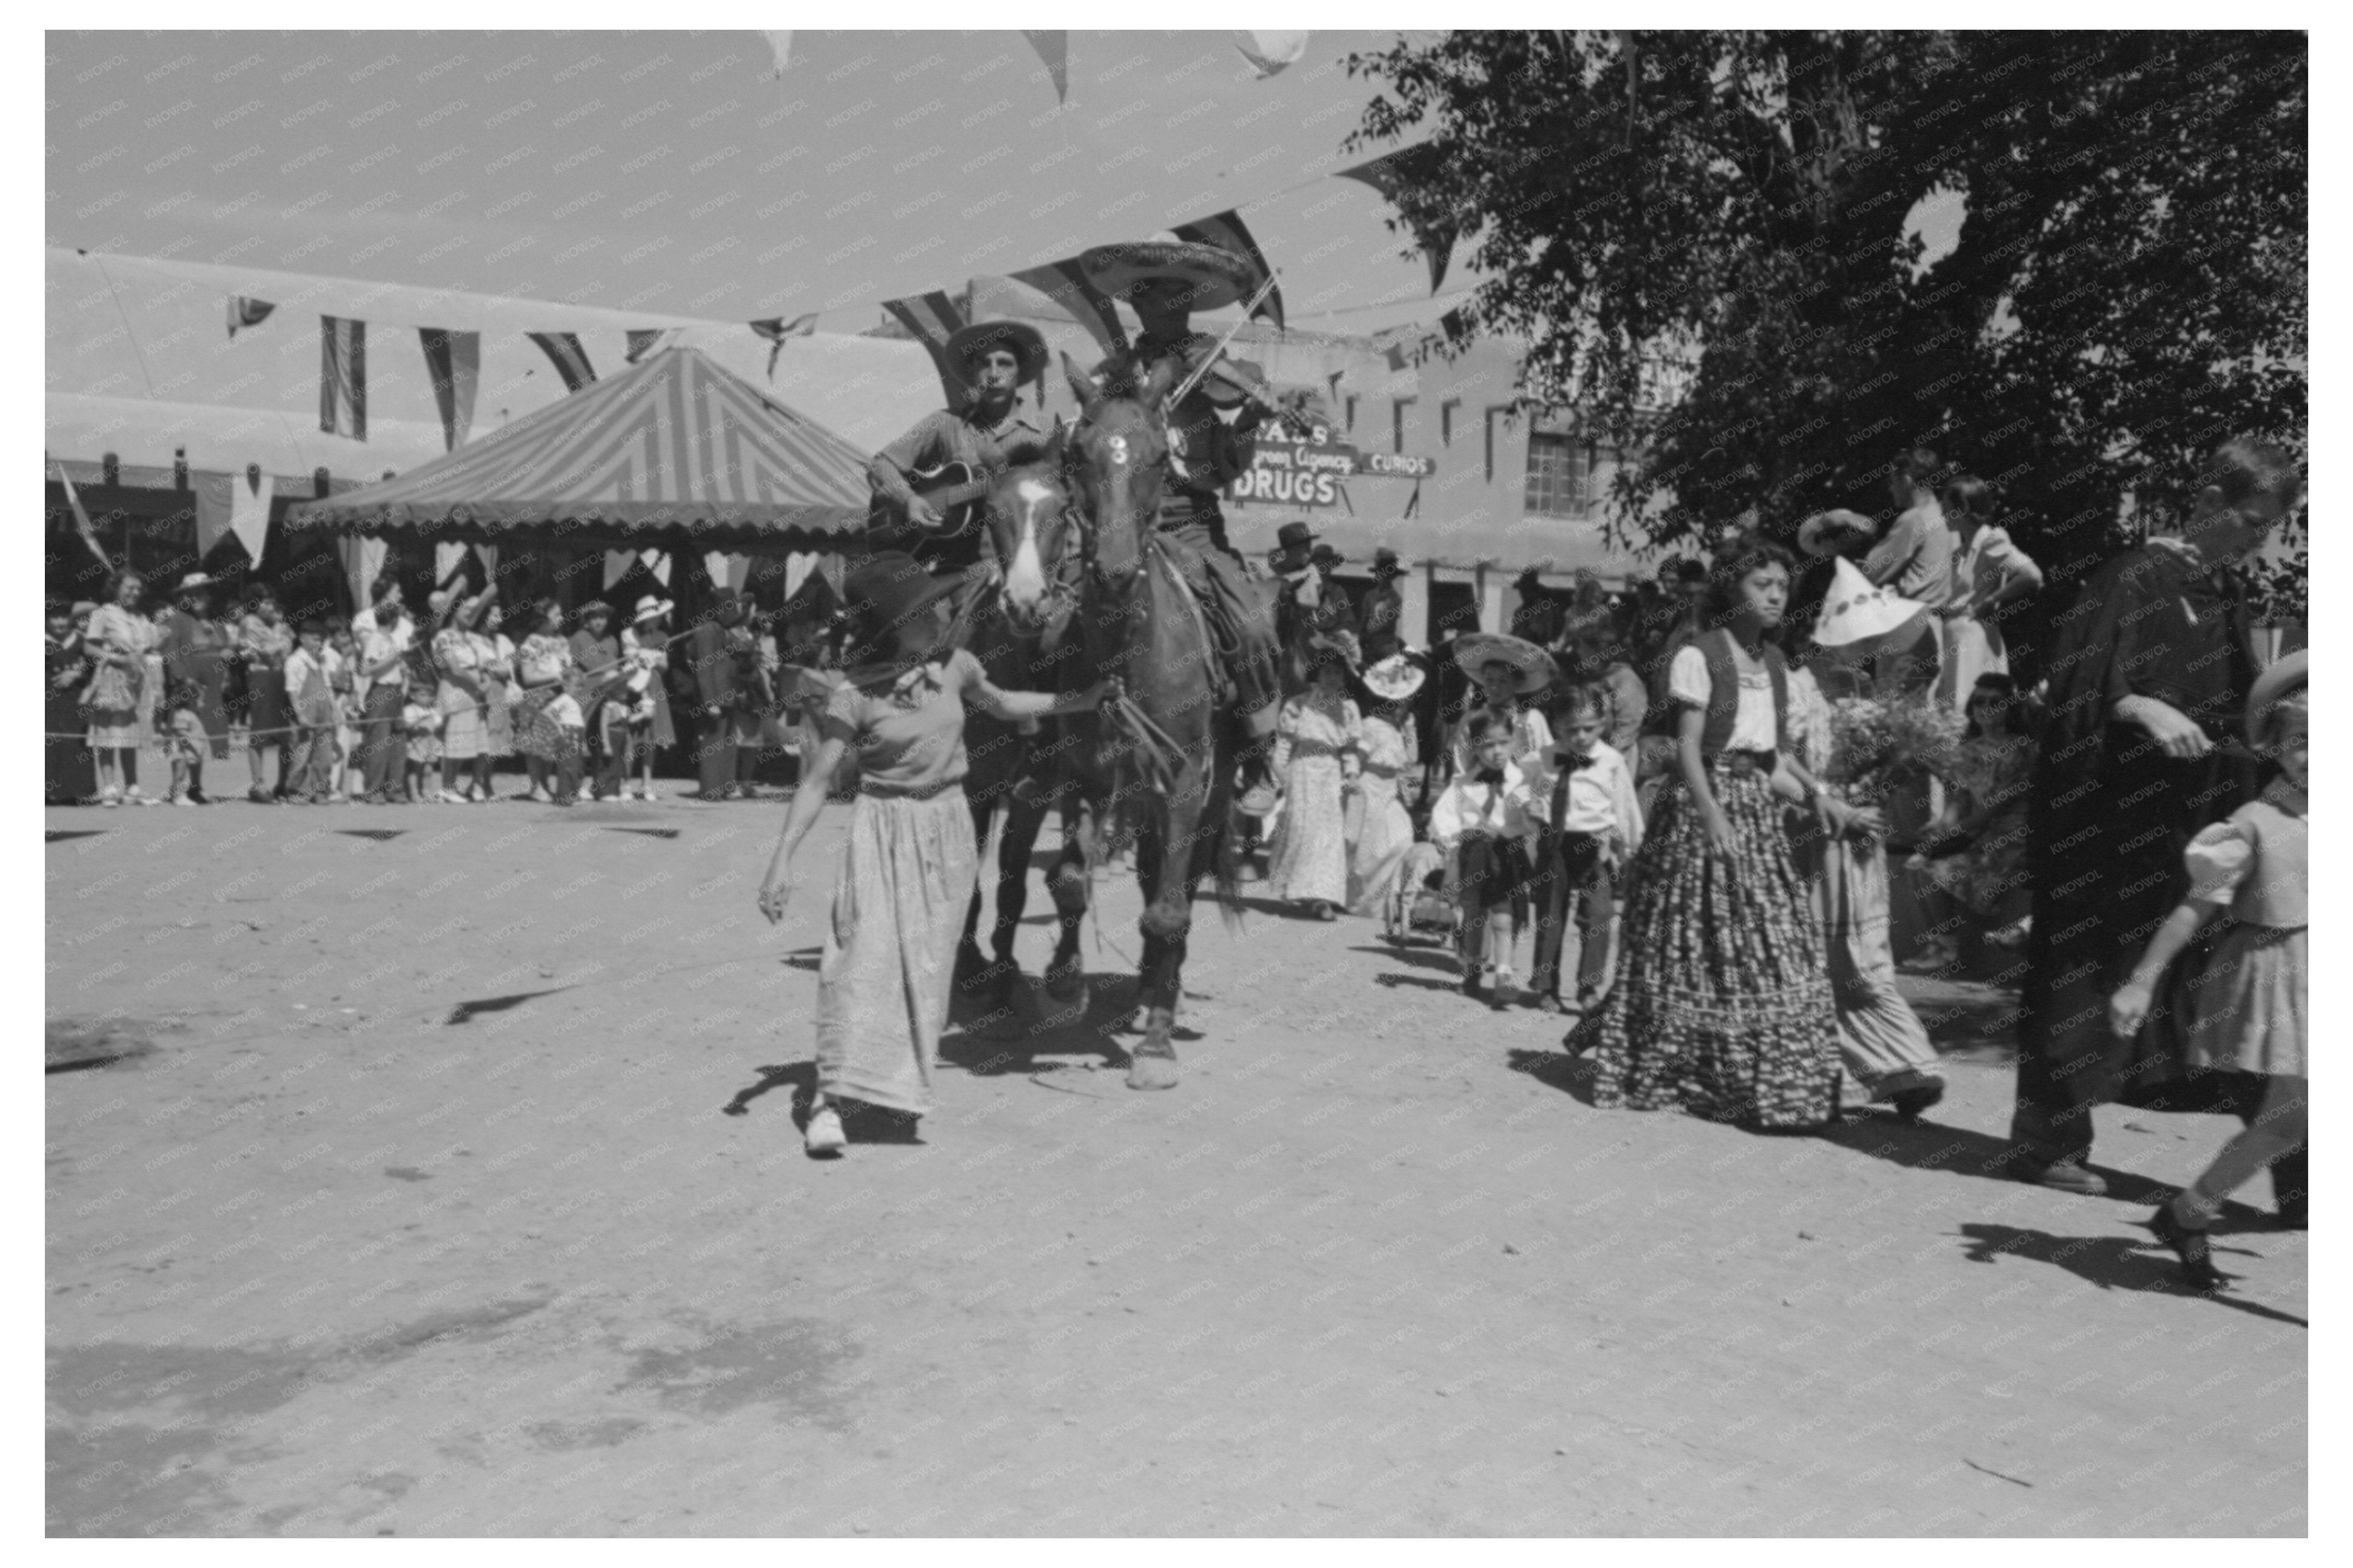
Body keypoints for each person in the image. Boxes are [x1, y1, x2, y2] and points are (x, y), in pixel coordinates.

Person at [2008, 437, 2303, 1197]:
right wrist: (2136, 705)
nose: (2254, 539)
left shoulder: (2222, 593)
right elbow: (2072, 684)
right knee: (2082, 970)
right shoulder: (2131, 577)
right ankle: (2047, 1144)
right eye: (2246, 521)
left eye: (2266, 528)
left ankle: (2291, 1172)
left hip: (2193, 815)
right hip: (2105, 820)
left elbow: (2244, 706)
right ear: (2207, 502)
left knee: (2245, 969)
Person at [756, 552, 1109, 1156]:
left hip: (947, 828)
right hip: (881, 826)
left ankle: (889, 1088)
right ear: (894, 623)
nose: (940, 615)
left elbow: (1003, 703)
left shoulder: (955, 666)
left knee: (922, 966)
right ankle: (829, 1099)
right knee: (856, 957)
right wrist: (781, 860)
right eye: (924, 611)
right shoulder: (853, 697)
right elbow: (815, 781)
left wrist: (1079, 701)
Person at [1571, 535, 1857, 1132]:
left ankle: (1778, 1088)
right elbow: (1688, 748)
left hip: (1757, 815)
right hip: (1702, 814)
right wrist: (1710, 814)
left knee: (1780, 948)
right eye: (1763, 586)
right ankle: (1690, 1074)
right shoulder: (1697, 656)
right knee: (1692, 946)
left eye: (1782, 586)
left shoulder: (1775, 664)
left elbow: (1775, 758)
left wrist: (1822, 798)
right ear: (1733, 590)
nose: (1776, 596)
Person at [2110, 653, 2305, 1288]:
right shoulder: (2251, 825)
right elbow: (2190, 912)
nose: (2316, 756)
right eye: (2300, 742)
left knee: (2291, 1121)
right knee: (2294, 1116)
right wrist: (2142, 980)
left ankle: (2187, 1212)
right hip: (2283, 980)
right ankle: (2188, 1212)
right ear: (2271, 748)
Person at [1080, 238, 1291, 796]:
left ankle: (1256, 750)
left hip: (1192, 525)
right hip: (1124, 524)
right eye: (1156, 297)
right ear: (1137, 304)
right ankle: (1048, 742)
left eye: (1181, 297)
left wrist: (1251, 419)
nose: (1169, 308)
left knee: (1252, 625)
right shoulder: (1111, 375)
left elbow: (1224, 468)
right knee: (1057, 616)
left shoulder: (1215, 369)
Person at [1786, 640, 1950, 1121]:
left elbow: (1881, 757)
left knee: (1868, 957)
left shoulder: (1862, 689)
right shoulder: (1795, 691)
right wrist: (1832, 804)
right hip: (1814, 836)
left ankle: (1905, 1067)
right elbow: (1781, 763)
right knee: (1823, 960)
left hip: (1859, 843)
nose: (1859, 649)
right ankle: (1845, 1076)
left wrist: (1883, 784)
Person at [866, 318, 1048, 586]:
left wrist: (999, 466)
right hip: (949, 572)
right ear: (973, 372)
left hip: (1015, 572)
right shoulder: (945, 423)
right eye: (984, 363)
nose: (994, 373)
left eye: (1005, 363)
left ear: (1019, 373)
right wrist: (908, 500)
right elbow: (881, 464)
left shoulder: (1041, 439)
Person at [1907, 674, 2038, 970]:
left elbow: (1993, 809)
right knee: (1917, 864)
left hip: (2009, 843)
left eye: (1996, 702)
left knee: (1936, 866)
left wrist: (1952, 832)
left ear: (2010, 708)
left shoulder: (2021, 749)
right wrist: (1940, 828)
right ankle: (1943, 945)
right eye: (1979, 701)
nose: (1986, 708)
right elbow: (1959, 801)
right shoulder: (1968, 748)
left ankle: (1947, 948)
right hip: (1978, 836)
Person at [1527, 684, 1642, 1016]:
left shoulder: (1611, 761)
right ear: (1557, 726)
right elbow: (1522, 794)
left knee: (1601, 915)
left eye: (1588, 728)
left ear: (1603, 724)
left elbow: (1624, 805)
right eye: (1571, 729)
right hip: (1555, 843)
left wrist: (1630, 844)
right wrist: (1528, 811)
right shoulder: (1541, 759)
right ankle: (1546, 986)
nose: (1580, 736)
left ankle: (1588, 987)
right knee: (1551, 915)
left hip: (1596, 845)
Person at [1432, 710, 1545, 1008]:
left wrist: (1531, 816)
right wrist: (1449, 836)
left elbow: (1528, 816)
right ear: (1475, 748)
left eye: (1503, 743)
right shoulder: (1463, 782)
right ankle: (1472, 968)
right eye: (1487, 745)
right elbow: (1444, 814)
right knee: (1474, 917)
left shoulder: (1522, 779)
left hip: (1507, 855)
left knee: (1505, 918)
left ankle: (1504, 976)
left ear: (1514, 742)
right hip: (1475, 856)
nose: (1496, 752)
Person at [1932, 474, 2044, 714]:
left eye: (1946, 508)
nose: (1942, 514)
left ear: (1962, 508)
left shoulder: (1990, 540)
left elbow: (2032, 576)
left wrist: (1993, 599)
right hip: (1956, 637)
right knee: (1954, 710)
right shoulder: (1962, 549)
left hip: (1973, 636)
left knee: (1969, 710)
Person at [1266, 648, 1362, 920]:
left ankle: (1323, 896)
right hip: (1302, 771)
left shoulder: (1349, 710)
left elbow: (1350, 750)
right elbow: (1283, 746)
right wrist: (1281, 778)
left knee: (1328, 836)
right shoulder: (1298, 705)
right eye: (1327, 672)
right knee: (1300, 830)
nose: (1332, 678)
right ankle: (1297, 888)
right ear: (1317, 675)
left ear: (1344, 679)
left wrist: (1352, 774)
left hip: (1330, 773)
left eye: (1338, 673)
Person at [1858, 448, 1956, 692]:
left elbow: (1871, 572)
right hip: (1937, 630)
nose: (1891, 489)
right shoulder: (1948, 518)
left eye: (1893, 481)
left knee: (1895, 712)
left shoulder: (1914, 519)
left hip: (1908, 629)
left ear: (1907, 480)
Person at [1347, 655, 1422, 921]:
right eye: (1401, 703)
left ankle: (1388, 902)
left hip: (1390, 790)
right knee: (1366, 848)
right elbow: (1358, 755)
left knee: (1401, 838)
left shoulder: (1399, 730)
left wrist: (1411, 731)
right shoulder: (1371, 726)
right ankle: (1359, 901)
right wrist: (1353, 777)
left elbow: (1411, 760)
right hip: (1369, 788)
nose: (1404, 707)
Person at [681, 589, 765, 800]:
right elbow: (704, 668)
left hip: (730, 692)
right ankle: (710, 789)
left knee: (728, 743)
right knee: (713, 742)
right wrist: (710, 702)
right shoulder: (707, 631)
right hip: (716, 696)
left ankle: (726, 786)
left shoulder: (723, 629)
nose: (735, 610)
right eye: (732, 605)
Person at [81, 571, 154, 808]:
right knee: (107, 732)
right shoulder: (103, 614)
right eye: (129, 587)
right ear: (115, 588)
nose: (135, 593)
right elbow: (89, 648)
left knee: (130, 732)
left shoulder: (142, 617)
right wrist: (115, 657)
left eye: (138, 589)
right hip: (111, 679)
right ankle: (110, 788)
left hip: (136, 681)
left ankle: (132, 787)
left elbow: (147, 648)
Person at [158, 574, 233, 790]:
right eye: (192, 594)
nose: (197, 597)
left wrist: (226, 658)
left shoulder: (217, 624)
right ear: (184, 597)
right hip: (187, 687)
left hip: (212, 690)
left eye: (202, 592)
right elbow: (171, 653)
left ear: (209, 596)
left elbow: (224, 650)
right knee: (183, 735)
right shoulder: (177, 620)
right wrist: (184, 679)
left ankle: (196, 786)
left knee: (201, 739)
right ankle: (177, 786)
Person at [432, 589, 495, 803]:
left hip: (473, 694)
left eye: (472, 610)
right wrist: (478, 682)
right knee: (455, 739)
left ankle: (462, 786)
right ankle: (446, 787)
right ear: (454, 610)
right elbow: (456, 668)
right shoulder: (444, 636)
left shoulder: (468, 637)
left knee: (472, 741)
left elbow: (480, 664)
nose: (470, 613)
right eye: (465, 608)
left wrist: (485, 679)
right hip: (455, 690)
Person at [511, 601, 573, 803]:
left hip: (557, 698)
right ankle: (536, 786)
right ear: (543, 618)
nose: (561, 618)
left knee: (550, 743)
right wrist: (554, 676)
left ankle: (545, 783)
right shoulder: (531, 642)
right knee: (535, 744)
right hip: (537, 698)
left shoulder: (562, 641)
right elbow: (528, 677)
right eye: (556, 614)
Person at [353, 588, 410, 805]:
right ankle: (373, 789)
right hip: (381, 691)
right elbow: (366, 670)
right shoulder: (376, 639)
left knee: (398, 740)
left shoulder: (391, 640)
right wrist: (393, 659)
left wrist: (401, 666)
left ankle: (394, 787)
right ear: (394, 619)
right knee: (379, 741)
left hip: (396, 691)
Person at [618, 596, 677, 802]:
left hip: (654, 684)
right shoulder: (628, 634)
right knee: (631, 735)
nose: (658, 620)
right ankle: (626, 783)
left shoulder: (662, 636)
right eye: (654, 617)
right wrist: (640, 656)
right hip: (635, 683)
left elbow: (664, 666)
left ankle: (647, 783)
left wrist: (654, 658)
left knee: (650, 737)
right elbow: (628, 660)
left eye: (659, 617)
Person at [281, 618, 342, 804]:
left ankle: (321, 790)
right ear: (302, 639)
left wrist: (336, 709)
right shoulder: (294, 661)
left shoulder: (321, 660)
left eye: (321, 641)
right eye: (315, 640)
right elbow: (291, 690)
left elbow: (328, 686)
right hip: (305, 712)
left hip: (324, 712)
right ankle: (295, 791)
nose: (319, 644)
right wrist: (300, 715)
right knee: (301, 754)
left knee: (324, 756)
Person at [47, 600, 97, 805]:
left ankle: (78, 791)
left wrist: (77, 673)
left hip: (74, 699)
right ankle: (47, 792)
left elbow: (96, 661)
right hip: (46, 699)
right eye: (54, 617)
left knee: (76, 740)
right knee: (49, 742)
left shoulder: (80, 639)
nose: (60, 622)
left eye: (64, 616)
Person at [1358, 548, 1409, 664]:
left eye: (1388, 574)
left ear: (1393, 576)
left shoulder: (1395, 598)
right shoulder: (1369, 595)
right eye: (1381, 573)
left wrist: (1367, 634)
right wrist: (1360, 637)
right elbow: (1364, 619)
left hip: (1386, 644)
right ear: (1377, 574)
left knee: (1392, 666)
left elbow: (1386, 623)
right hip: (1369, 642)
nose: (1383, 577)